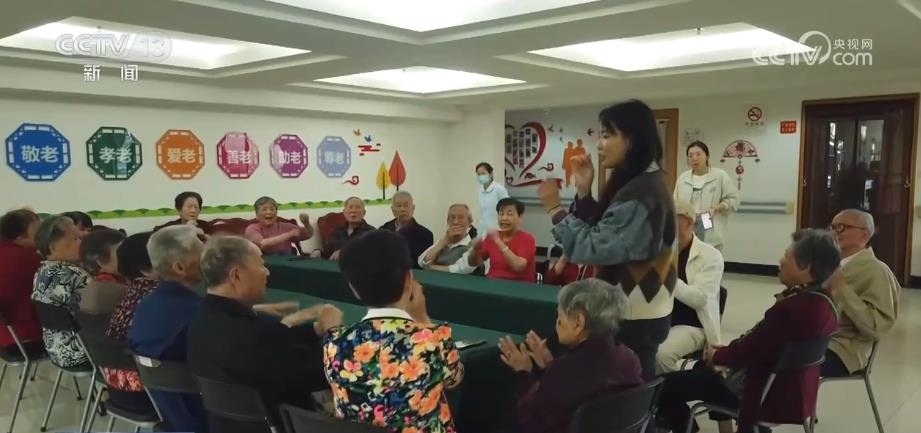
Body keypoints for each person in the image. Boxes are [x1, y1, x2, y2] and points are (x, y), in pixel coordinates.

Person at [537, 99, 676, 380]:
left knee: (629, 392)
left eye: (607, 135)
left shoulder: (642, 194)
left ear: (632, 140)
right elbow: (605, 230)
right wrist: (584, 192)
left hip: (637, 315)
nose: (599, 144)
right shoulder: (641, 182)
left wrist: (554, 209)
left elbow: (591, 247)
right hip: (642, 309)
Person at [656, 229, 840, 433]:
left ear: (805, 266)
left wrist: (717, 355)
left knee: (661, 387)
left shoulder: (791, 309)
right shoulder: (826, 304)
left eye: (787, 256)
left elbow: (748, 352)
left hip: (758, 393)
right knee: (701, 373)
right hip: (791, 392)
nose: (780, 261)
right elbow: (762, 346)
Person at [188, 236, 344, 433]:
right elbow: (326, 373)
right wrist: (333, 332)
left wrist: (313, 330)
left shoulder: (199, 321)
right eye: (261, 264)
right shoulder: (256, 336)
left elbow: (274, 343)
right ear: (236, 275)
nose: (267, 272)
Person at [325, 230, 464, 433]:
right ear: (409, 279)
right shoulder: (435, 339)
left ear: (353, 289)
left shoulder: (334, 343)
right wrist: (424, 320)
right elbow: (454, 379)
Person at [497, 278, 643, 433]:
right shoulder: (629, 359)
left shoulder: (566, 371)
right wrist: (549, 366)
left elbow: (529, 421)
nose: (557, 324)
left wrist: (523, 372)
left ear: (578, 322)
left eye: (560, 318)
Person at [128, 225, 209, 433]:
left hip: (170, 414)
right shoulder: (198, 316)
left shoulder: (145, 305)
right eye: (202, 254)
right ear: (179, 267)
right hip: (206, 418)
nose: (208, 260)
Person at [822, 209, 900, 377]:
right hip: (814, 339)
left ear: (864, 234)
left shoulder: (876, 271)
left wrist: (842, 289)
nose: (834, 232)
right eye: (832, 227)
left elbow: (875, 327)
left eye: (841, 227)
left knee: (783, 361)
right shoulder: (830, 264)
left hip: (843, 350)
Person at [656, 200, 724, 374]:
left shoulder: (711, 256)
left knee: (660, 354)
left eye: (671, 221)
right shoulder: (659, 251)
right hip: (657, 317)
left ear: (688, 223)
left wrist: (667, 276)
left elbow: (699, 298)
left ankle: (675, 386)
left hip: (692, 324)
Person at [103, 232, 158, 414]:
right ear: (146, 267)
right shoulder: (158, 298)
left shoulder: (129, 293)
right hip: (150, 395)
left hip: (117, 390)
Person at [31, 215, 91, 368]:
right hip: (81, 353)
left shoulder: (42, 271)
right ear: (52, 247)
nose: (81, 242)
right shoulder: (73, 274)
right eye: (75, 238)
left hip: (56, 350)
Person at [674, 141, 740, 250]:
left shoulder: (720, 176)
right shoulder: (683, 178)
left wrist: (718, 207)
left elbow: (734, 200)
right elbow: (675, 203)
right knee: (687, 255)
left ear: (707, 156)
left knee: (709, 253)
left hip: (708, 221)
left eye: (698, 154)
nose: (694, 158)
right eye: (690, 155)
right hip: (687, 225)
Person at [0, 209, 44, 359]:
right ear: (21, 236)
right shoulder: (27, 258)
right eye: (38, 230)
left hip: (5, 341)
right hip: (25, 340)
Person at [465, 198, 537, 283]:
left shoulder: (527, 239)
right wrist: (475, 249)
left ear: (520, 217)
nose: (504, 218)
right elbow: (473, 263)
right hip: (492, 284)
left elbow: (518, 266)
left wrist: (498, 241)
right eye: (501, 214)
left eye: (509, 214)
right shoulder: (492, 237)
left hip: (519, 286)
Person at [78, 229, 128, 317]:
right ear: (100, 261)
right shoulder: (114, 288)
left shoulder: (87, 286)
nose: (128, 256)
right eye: (121, 253)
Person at [419, 204, 479, 274]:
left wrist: (431, 267)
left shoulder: (473, 247)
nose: (455, 222)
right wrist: (443, 242)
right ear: (448, 221)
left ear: (469, 222)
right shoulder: (443, 241)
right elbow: (422, 261)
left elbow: (460, 269)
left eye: (460, 217)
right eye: (452, 217)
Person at [243, 196, 314, 256]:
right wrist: (289, 234)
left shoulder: (285, 226)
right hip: (265, 264)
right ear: (257, 215)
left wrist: (306, 223)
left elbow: (308, 235)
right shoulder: (252, 228)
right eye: (264, 209)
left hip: (287, 262)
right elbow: (262, 243)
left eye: (272, 209)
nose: (269, 212)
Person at [380, 191, 434, 269]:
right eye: (399, 206)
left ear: (413, 208)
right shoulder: (383, 230)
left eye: (406, 205)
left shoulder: (425, 235)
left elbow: (421, 265)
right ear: (392, 210)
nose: (403, 209)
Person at [475, 162, 509, 235]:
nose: (480, 176)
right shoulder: (480, 190)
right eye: (478, 174)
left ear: (490, 174)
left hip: (498, 230)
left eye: (483, 173)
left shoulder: (499, 189)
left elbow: (507, 210)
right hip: (483, 230)